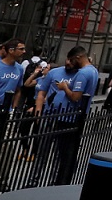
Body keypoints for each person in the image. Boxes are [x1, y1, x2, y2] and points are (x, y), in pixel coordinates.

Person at [33, 46, 97, 184]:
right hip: (51, 116)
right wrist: (38, 113)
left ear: (78, 58)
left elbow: (75, 97)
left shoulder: (82, 73)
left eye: (72, 60)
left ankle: (55, 182)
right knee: (43, 152)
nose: (69, 62)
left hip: (67, 118)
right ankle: (35, 179)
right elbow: (42, 93)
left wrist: (64, 87)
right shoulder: (55, 72)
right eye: (67, 59)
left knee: (60, 154)